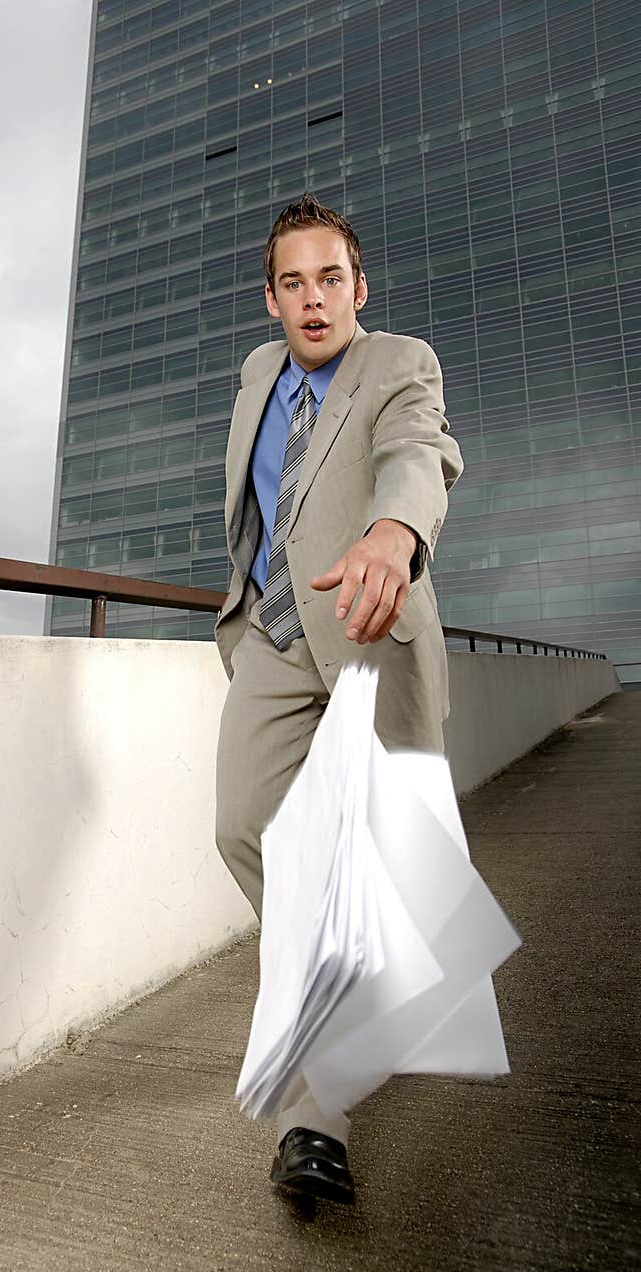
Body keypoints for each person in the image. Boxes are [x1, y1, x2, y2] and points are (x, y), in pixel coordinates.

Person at [213, 193, 464, 1205]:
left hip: (367, 623)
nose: (312, 299)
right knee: (242, 829)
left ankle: (314, 1116)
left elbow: (420, 453)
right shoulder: (255, 375)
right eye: (291, 282)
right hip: (273, 634)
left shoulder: (400, 363)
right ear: (269, 298)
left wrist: (393, 536)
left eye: (330, 279)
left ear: (358, 288)